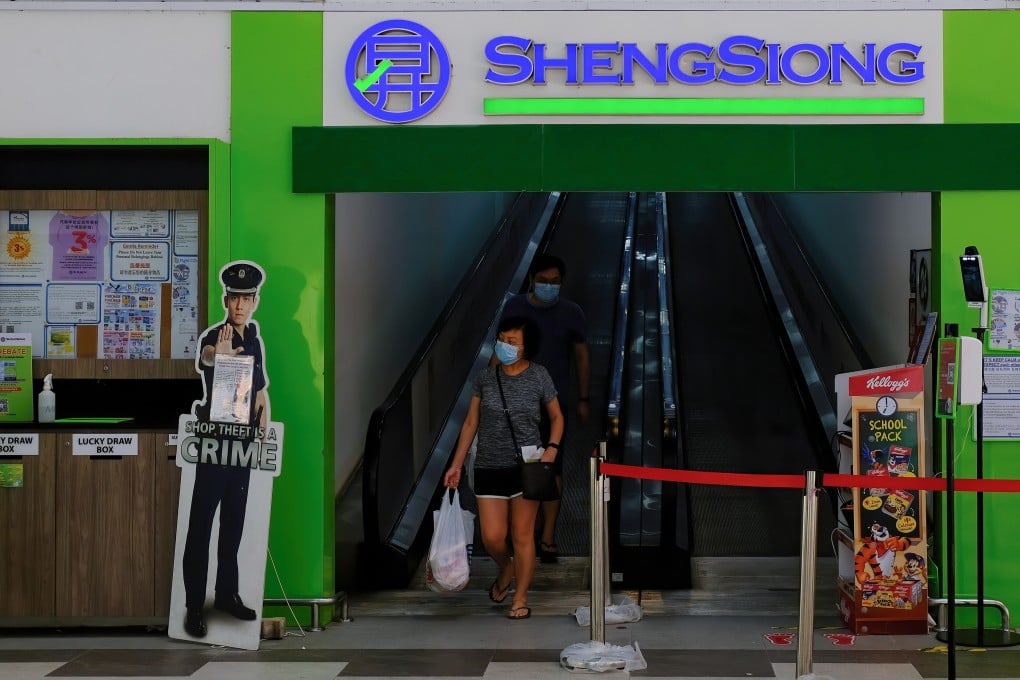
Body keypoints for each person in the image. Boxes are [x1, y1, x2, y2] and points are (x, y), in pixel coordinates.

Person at [444, 316, 564, 620]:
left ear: (526, 348)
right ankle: (506, 567)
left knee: (522, 535)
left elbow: (557, 418)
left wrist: (552, 449)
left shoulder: (539, 376)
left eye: (512, 342)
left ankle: (520, 598)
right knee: (493, 538)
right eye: (502, 339)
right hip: (488, 466)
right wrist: (456, 465)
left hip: (526, 467)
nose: (505, 345)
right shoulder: (486, 377)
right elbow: (471, 422)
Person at [182, 262, 269, 638]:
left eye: (246, 298)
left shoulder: (254, 339)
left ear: (254, 302)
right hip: (215, 442)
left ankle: (227, 594)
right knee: (201, 525)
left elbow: (260, 388)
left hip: (244, 443)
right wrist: (218, 355)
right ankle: (191, 606)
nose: (239, 304)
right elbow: (207, 357)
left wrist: (266, 422)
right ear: (226, 299)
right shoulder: (215, 335)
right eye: (234, 297)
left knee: (234, 521)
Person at [499, 253, 590, 563]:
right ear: (531, 280)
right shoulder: (514, 308)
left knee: (551, 468)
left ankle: (548, 535)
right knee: (517, 469)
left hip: (554, 405)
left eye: (556, 283)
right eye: (544, 281)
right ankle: (522, 534)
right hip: (515, 403)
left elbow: (581, 356)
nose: (550, 287)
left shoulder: (571, 313)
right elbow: (502, 352)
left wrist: (583, 398)